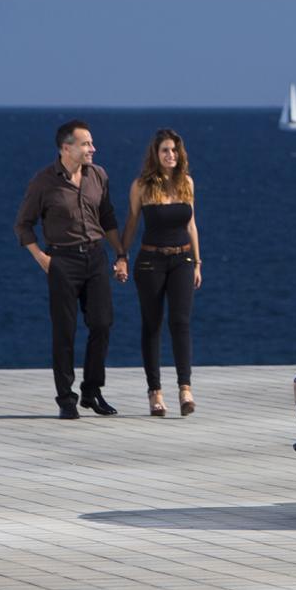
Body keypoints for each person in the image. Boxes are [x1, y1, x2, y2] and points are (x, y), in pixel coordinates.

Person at [13, 119, 128, 419]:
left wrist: (121, 255)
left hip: (96, 257)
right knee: (64, 331)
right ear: (66, 148)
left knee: (102, 324)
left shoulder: (98, 175)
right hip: (62, 261)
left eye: (91, 143)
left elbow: (108, 218)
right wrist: (42, 258)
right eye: (86, 144)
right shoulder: (43, 182)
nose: (93, 148)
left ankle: (92, 391)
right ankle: (66, 398)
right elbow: (23, 225)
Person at [120, 128, 202, 417]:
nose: (171, 155)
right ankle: (155, 392)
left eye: (174, 150)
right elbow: (131, 223)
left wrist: (198, 262)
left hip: (183, 260)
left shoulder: (186, 183)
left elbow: (191, 225)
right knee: (152, 324)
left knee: (181, 322)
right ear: (155, 154)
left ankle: (185, 389)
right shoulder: (141, 186)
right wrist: (121, 256)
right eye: (165, 150)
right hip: (150, 262)